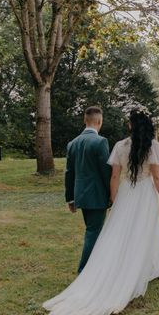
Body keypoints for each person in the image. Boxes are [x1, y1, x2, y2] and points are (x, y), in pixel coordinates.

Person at [43, 108, 159, 315]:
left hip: (125, 194)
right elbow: (157, 176)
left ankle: (156, 265)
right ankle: (134, 270)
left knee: (121, 232)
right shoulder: (153, 145)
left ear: (131, 125)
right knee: (143, 230)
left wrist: (115, 199)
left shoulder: (120, 146)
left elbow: (114, 176)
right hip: (145, 194)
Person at [64, 106, 112, 273]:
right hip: (97, 196)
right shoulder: (100, 142)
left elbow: (69, 173)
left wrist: (70, 198)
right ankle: (84, 271)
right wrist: (112, 195)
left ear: (85, 120)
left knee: (92, 230)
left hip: (81, 196)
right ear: (99, 121)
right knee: (93, 232)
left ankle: (95, 267)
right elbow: (106, 172)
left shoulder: (72, 143)